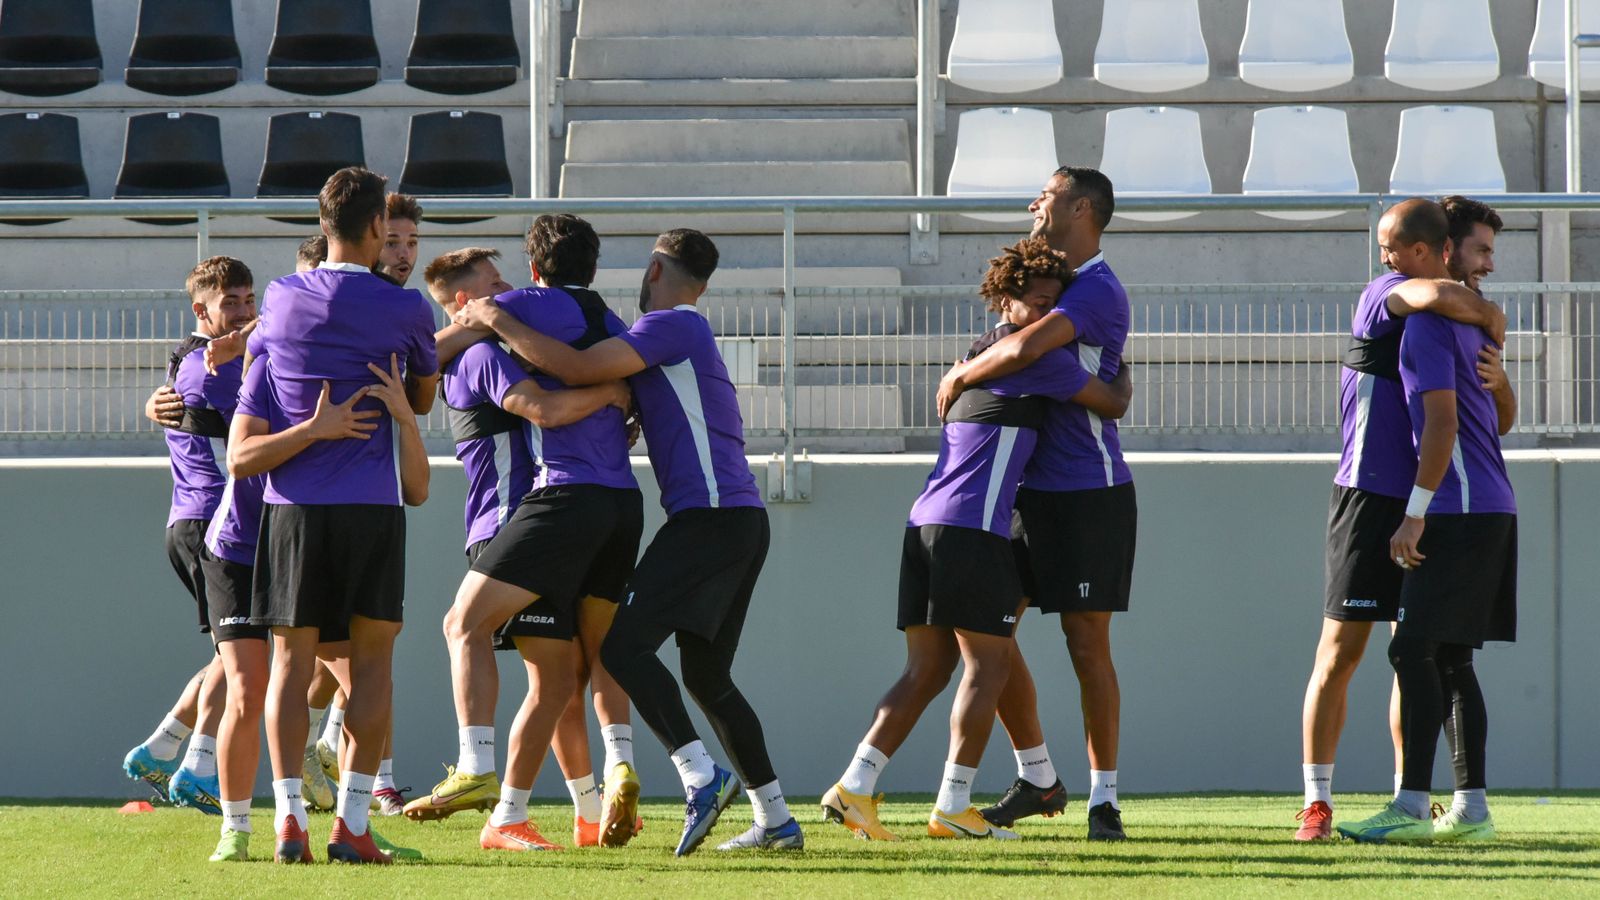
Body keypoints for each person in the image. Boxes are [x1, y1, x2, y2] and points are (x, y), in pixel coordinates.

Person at [451, 228, 799, 855]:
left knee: (620, 649)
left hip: (710, 519)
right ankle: (775, 820)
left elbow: (576, 367)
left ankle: (699, 775)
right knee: (708, 677)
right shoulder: (652, 332)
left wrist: (492, 315)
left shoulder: (670, 326)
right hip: (736, 520)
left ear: (657, 269)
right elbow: (610, 376)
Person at [820, 239, 1131, 842]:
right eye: (1037, 302)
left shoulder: (977, 349)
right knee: (988, 666)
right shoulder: (1034, 360)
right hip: (973, 532)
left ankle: (855, 786)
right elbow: (1111, 401)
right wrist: (1121, 362)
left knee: (927, 669)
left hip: (924, 525)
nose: (1048, 315)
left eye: (1055, 303)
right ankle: (953, 805)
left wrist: (962, 370)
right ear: (1006, 301)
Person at [228, 166, 439, 864]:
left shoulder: (281, 297)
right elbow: (424, 395)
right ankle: (351, 824)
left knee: (290, 668)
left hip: (293, 513)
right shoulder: (405, 308)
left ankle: (289, 818)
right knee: (372, 667)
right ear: (379, 226)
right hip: (372, 508)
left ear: (322, 226)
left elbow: (254, 372)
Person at [404, 237, 641, 852]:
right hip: (512, 523)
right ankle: (489, 783)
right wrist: (609, 395)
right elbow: (541, 408)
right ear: (466, 300)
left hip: (538, 521)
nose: (508, 291)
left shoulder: (488, 344)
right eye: (494, 283)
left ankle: (570, 812)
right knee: (519, 658)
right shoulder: (482, 354)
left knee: (557, 681)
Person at [1293, 197, 1509, 840]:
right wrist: (1492, 313)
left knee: (1418, 652)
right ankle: (1317, 801)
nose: (1382, 254)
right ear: (1444, 250)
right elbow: (1432, 294)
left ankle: (1408, 799)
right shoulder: (1387, 292)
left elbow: (1494, 421)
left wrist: (1499, 370)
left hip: (1429, 498)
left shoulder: (1455, 321)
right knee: (1342, 651)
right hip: (1371, 496)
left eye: (1394, 243)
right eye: (1480, 250)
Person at [935, 166, 1135, 840]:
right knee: (990, 635)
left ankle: (1104, 802)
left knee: (1087, 645)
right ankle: (1039, 776)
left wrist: (960, 373)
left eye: (1045, 195)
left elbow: (1025, 346)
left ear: (1081, 208)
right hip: (1023, 494)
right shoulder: (1055, 283)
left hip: (1088, 493)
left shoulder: (1097, 287)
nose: (1033, 204)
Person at [121, 257, 257, 815]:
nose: (244, 313)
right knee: (244, 652)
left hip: (198, 520)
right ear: (201, 309)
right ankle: (197, 767)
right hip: (215, 522)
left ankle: (162, 747)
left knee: (236, 650)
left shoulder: (189, 357)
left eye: (249, 300)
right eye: (231, 303)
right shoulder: (214, 366)